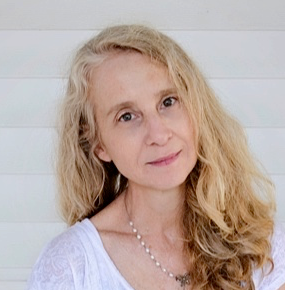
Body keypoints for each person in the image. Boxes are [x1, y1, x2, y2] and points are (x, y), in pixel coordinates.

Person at [26, 24, 285, 290]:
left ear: (196, 106)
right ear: (98, 143)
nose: (159, 134)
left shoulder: (260, 246)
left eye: (168, 102)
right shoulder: (71, 268)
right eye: (127, 116)